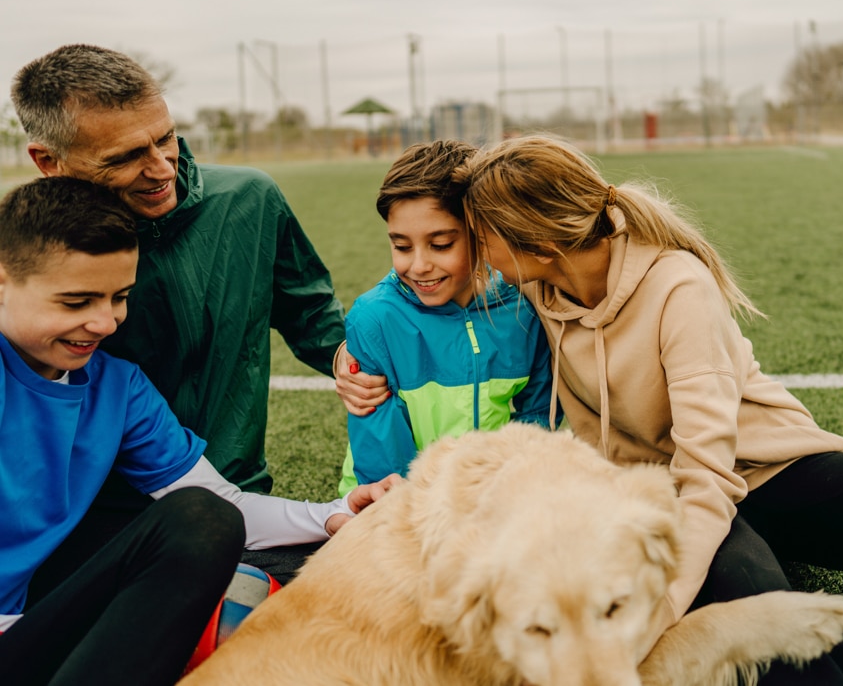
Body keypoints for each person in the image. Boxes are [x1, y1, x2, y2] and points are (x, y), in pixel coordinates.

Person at [445, 135, 843, 686]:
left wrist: (663, 611)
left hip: (762, 477)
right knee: (773, 645)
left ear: (541, 244)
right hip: (663, 497)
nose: (479, 255)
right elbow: (423, 291)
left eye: (483, 237)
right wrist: (349, 358)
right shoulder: (535, 294)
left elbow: (708, 479)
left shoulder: (677, 286)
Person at [0, 176, 398, 685]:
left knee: (260, 537)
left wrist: (338, 513)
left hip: (32, 632)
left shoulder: (117, 386)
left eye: (119, 296)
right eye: (77, 302)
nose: (106, 323)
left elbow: (217, 508)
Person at [10, 43, 372, 494]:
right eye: (124, 157)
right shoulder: (23, 246)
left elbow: (309, 310)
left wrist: (349, 361)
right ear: (49, 161)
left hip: (235, 493)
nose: (161, 168)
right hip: (87, 513)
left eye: (165, 138)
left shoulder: (249, 199)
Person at [337, 139, 557, 494]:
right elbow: (382, 462)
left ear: (480, 232)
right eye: (402, 246)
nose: (419, 266)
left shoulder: (524, 305)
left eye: (440, 244)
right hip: (395, 506)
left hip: (493, 501)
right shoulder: (374, 318)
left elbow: (539, 417)